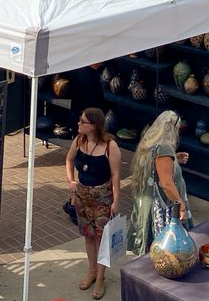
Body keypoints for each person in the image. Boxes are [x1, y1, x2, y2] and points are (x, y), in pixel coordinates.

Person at [65, 108, 121, 300]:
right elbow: (69, 159)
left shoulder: (109, 146)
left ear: (94, 125)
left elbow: (115, 174)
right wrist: (71, 180)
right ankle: (92, 271)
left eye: (83, 122)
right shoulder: (79, 140)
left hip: (102, 197)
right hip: (82, 196)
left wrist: (116, 200)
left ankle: (101, 277)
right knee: (88, 236)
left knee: (101, 238)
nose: (78, 124)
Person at [126, 111, 192, 255]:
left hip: (146, 204)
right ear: (173, 129)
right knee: (166, 251)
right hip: (162, 210)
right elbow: (166, 183)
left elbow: (155, 168)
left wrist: (174, 159)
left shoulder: (150, 143)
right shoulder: (165, 148)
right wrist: (181, 206)